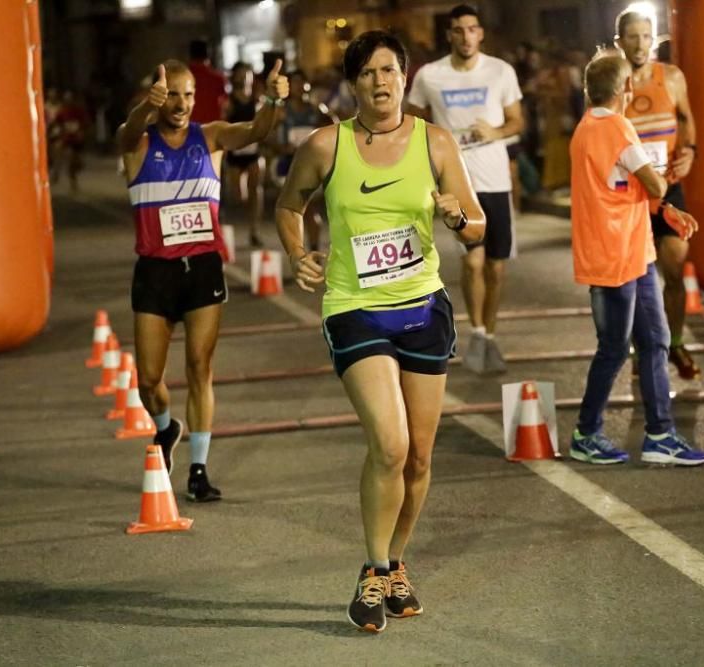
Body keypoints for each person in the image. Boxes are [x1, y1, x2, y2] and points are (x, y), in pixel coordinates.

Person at [275, 31, 485, 633]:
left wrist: (457, 217)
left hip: (423, 307)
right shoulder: (325, 145)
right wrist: (297, 252)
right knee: (389, 445)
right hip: (355, 308)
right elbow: (290, 205)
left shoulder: (435, 142)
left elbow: (477, 227)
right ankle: (372, 569)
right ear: (353, 83)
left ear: (405, 77)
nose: (381, 81)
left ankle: (396, 561)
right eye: (367, 73)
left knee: (418, 458)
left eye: (390, 70)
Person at [117, 59, 288, 501]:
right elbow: (126, 132)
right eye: (172, 94)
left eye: (188, 94)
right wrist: (143, 109)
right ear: (158, 97)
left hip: (203, 269)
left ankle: (198, 468)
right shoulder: (138, 144)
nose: (181, 104)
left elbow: (256, 131)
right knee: (149, 380)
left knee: (199, 368)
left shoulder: (210, 137)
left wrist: (271, 99)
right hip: (155, 272)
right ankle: (165, 426)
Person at [568, 55, 704, 468]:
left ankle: (660, 434)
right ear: (623, 90)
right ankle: (586, 432)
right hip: (617, 255)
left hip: (632, 251)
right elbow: (653, 180)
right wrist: (663, 185)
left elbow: (624, 186)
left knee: (654, 342)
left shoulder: (584, 130)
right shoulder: (615, 126)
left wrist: (664, 210)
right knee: (615, 348)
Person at [406, 4, 524, 375]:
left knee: (496, 268)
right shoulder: (430, 76)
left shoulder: (500, 71)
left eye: (472, 29)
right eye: (458, 30)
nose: (466, 36)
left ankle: (490, 334)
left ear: (481, 33)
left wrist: (496, 132)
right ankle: (476, 332)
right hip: (458, 184)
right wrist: (430, 153)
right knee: (472, 263)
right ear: (449, 35)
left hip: (496, 182)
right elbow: (411, 120)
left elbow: (518, 121)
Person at [616, 9, 702, 379]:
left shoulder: (671, 77)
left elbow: (684, 117)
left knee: (676, 267)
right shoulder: (613, 82)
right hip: (631, 195)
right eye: (632, 37)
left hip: (668, 188)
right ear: (620, 42)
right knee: (636, 277)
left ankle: (676, 343)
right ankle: (640, 350)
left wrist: (690, 152)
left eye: (646, 36)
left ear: (654, 40)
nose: (640, 44)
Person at [269, 70, 337, 251]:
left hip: (311, 165)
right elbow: (267, 134)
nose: (300, 87)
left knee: (311, 208)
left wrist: (321, 144)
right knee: (292, 210)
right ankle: (297, 250)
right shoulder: (281, 111)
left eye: (303, 82)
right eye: (296, 83)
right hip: (288, 164)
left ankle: (313, 247)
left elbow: (335, 127)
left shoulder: (316, 109)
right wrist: (282, 147)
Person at [223, 62, 266, 247]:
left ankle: (254, 230)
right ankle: (232, 218)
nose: (242, 78)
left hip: (253, 152)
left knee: (256, 190)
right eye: (239, 75)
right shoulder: (228, 101)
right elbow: (222, 125)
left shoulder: (258, 100)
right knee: (238, 195)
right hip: (235, 152)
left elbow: (266, 123)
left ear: (251, 77)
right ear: (233, 77)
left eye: (246, 74)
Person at [188, 39, 227, 124]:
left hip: (189, 129)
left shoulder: (183, 78)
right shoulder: (218, 78)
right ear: (208, 54)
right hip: (214, 129)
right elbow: (225, 105)